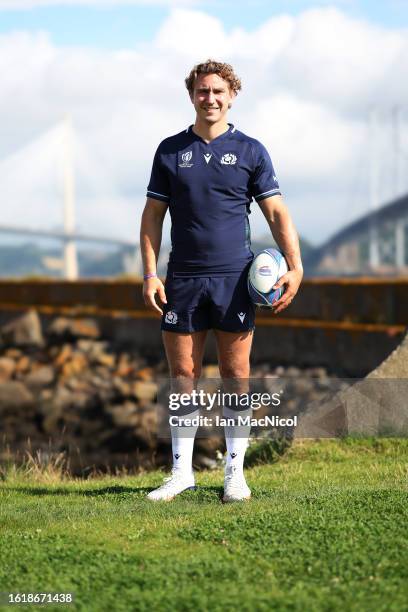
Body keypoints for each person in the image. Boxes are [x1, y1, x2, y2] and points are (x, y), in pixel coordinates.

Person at [140, 59, 303, 502]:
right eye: (202, 91)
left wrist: (296, 265)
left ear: (232, 96)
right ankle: (180, 473)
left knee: (235, 373)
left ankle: (235, 473)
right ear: (191, 94)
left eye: (218, 91)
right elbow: (153, 217)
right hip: (184, 280)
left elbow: (276, 212)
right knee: (183, 375)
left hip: (234, 280)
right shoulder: (170, 151)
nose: (209, 98)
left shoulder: (250, 150)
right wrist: (151, 274)